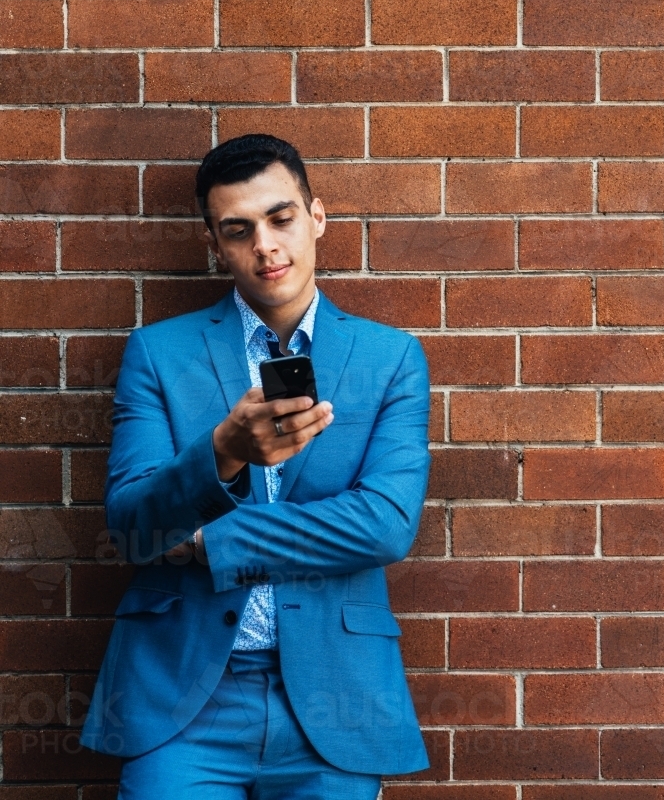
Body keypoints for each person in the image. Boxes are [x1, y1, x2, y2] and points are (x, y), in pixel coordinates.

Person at [81, 134, 431, 799]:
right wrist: (223, 453)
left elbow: (384, 525)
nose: (264, 246)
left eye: (280, 218)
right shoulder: (157, 354)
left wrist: (214, 542)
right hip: (182, 699)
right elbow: (131, 525)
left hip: (334, 696)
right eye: (238, 230)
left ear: (316, 216)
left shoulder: (390, 359)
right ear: (215, 243)